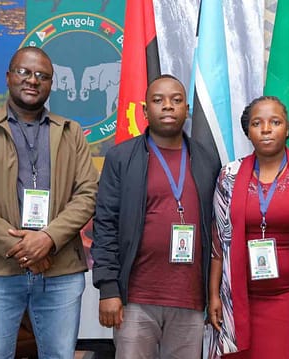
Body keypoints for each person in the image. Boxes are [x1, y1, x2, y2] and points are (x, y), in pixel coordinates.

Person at [0, 46, 98, 358]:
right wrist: (21, 247)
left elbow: (88, 194)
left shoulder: (71, 133)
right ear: (8, 77)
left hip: (60, 271)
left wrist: (47, 239)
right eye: (25, 72)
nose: (33, 80)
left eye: (42, 76)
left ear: (51, 84)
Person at [92, 75, 220, 358]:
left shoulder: (207, 160)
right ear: (144, 110)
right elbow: (105, 225)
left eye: (176, 100)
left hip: (190, 297)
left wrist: (214, 293)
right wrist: (108, 289)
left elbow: (218, 232)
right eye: (158, 100)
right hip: (135, 298)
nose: (167, 107)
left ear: (187, 110)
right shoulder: (121, 158)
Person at [206, 96, 289, 359]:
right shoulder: (229, 176)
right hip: (240, 299)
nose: (266, 129)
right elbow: (218, 243)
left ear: (287, 128)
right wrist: (213, 296)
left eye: (275, 122)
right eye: (257, 123)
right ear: (248, 131)